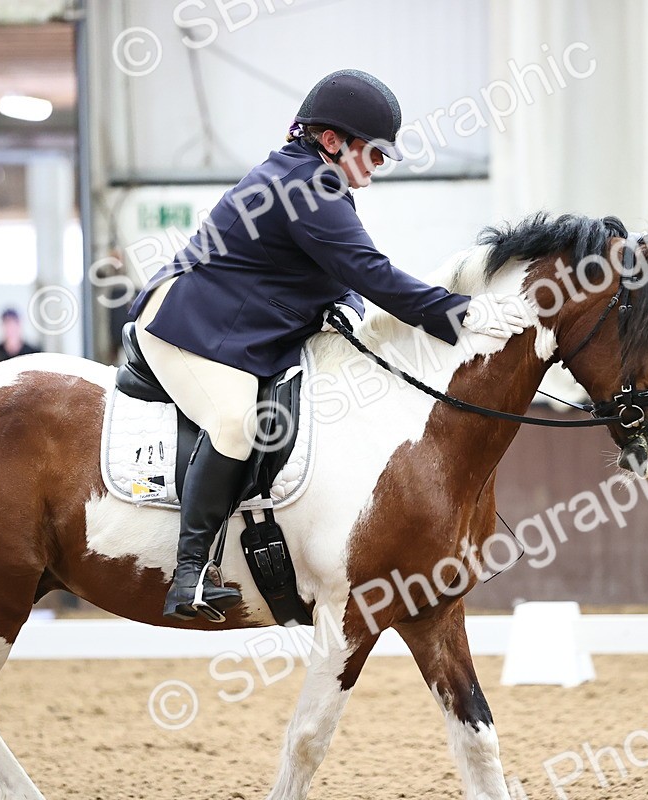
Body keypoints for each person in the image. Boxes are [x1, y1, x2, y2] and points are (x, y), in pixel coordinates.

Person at [128, 69, 529, 621]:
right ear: (333, 140)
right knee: (235, 421)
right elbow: (372, 272)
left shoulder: (316, 181)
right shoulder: (305, 185)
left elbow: (344, 275)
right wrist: (465, 313)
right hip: (189, 325)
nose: (379, 168)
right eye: (375, 154)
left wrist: (347, 306)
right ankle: (190, 572)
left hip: (242, 326)